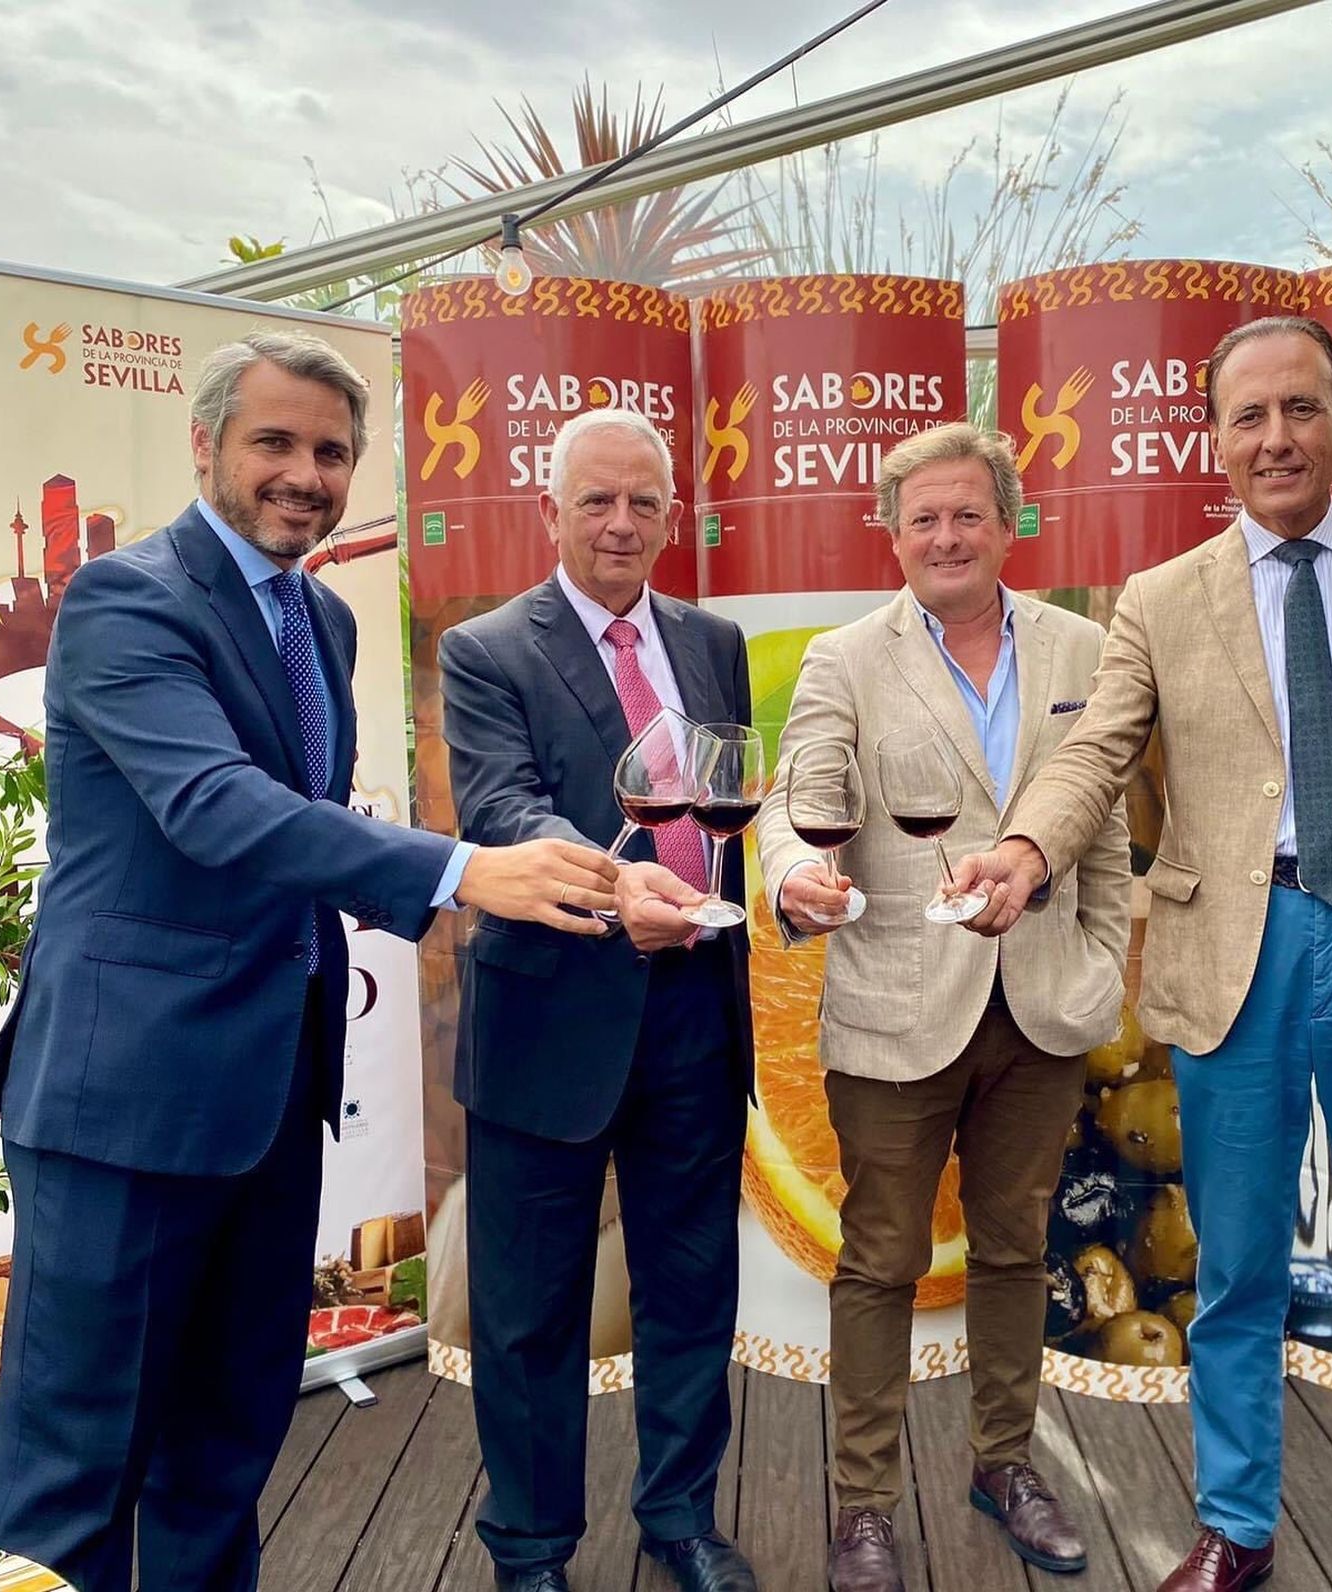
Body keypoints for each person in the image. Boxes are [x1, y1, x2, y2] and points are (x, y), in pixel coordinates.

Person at [0, 330, 619, 1592]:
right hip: (125, 1104)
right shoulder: (125, 598)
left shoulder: (321, 617)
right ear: (205, 444)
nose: (305, 474)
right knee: (72, 1475)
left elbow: (304, 830)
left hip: (272, 1094)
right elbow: (215, 803)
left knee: (225, 1446)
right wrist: (461, 870)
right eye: (273, 441)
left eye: (331, 452)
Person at [953, 317, 1332, 1592]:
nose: (1276, 437)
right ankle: (1235, 1526)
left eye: (1300, 407)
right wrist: (1026, 849)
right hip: (1238, 950)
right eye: (1249, 415)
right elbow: (1095, 753)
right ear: (1215, 439)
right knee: (1233, 1275)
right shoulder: (1162, 598)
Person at [755, 423, 1132, 1592]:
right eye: (922, 517)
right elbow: (799, 792)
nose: (946, 535)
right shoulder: (844, 658)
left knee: (1016, 1244)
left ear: (1008, 524)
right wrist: (793, 873)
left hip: (1043, 1003)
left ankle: (1002, 1462)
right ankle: (864, 1501)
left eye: (968, 513)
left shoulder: (1082, 645)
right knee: (878, 1258)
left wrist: (1100, 955)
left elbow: (1105, 819)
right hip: (896, 1005)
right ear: (893, 533)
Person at [439, 407, 757, 1592]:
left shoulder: (713, 641)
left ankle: (681, 1516)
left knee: (691, 1285)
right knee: (530, 1307)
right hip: (550, 1014)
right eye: (596, 500)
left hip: (693, 1011)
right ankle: (530, 1546)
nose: (621, 523)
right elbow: (501, 807)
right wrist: (619, 887)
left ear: (674, 515)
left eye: (643, 502)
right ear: (551, 511)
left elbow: (727, 803)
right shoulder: (486, 649)